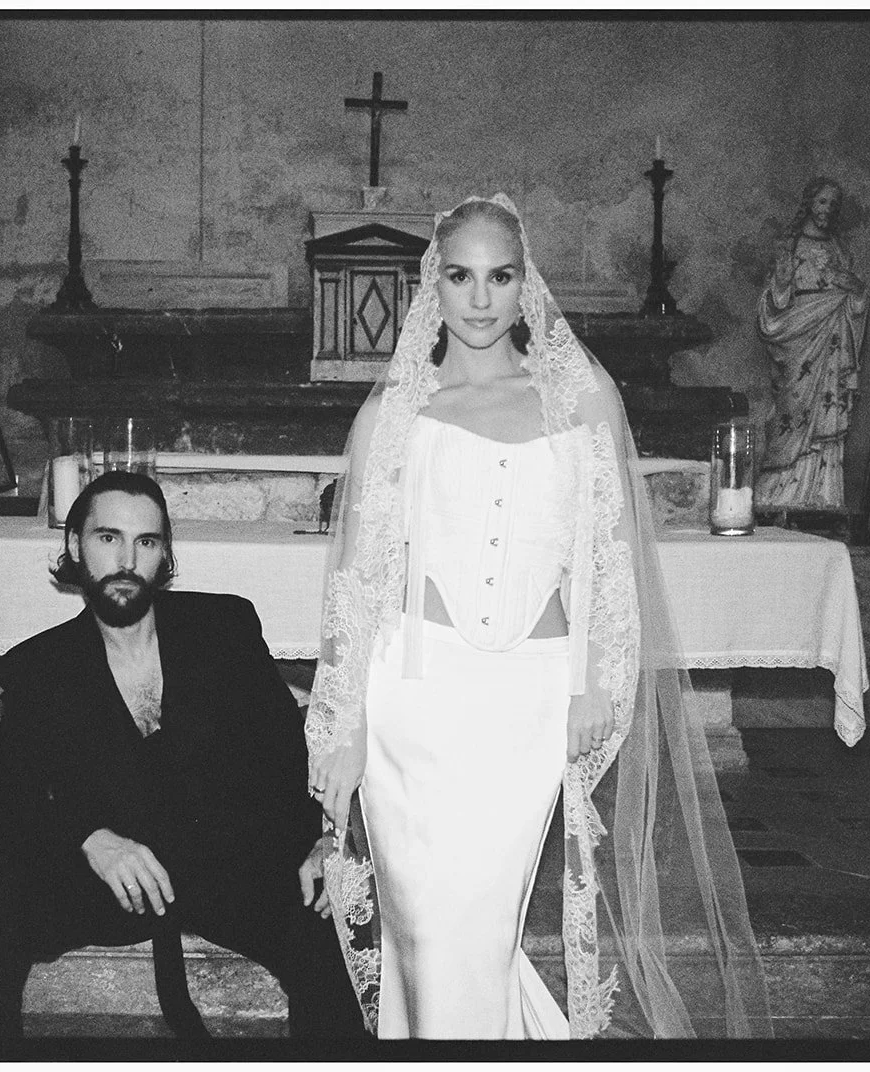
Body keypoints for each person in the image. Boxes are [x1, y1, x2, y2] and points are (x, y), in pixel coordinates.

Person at [304, 195, 770, 1039]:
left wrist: (595, 678)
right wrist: (345, 725)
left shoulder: (581, 399)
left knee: (472, 930)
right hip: (413, 699)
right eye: (461, 276)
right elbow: (356, 578)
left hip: (527, 702)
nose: (480, 298)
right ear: (433, 285)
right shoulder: (393, 414)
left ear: (527, 285)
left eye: (501, 276)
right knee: (424, 931)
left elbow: (611, 554)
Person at [0, 470, 365, 1040]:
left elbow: (286, 753)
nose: (126, 560)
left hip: (230, 866)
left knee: (330, 917)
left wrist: (325, 840)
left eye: (146, 541)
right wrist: (90, 838)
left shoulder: (224, 627)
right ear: (75, 546)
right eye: (108, 538)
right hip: (120, 878)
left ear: (164, 554)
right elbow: (3, 799)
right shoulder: (40, 666)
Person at [752, 176, 869, 512]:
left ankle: (822, 493)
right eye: (822, 201)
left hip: (832, 339)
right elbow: (772, 307)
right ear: (809, 203)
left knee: (827, 411)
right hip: (798, 340)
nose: (827, 209)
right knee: (791, 410)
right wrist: (782, 284)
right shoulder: (788, 246)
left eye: (834, 204)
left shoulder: (839, 249)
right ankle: (779, 493)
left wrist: (855, 291)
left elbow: (855, 299)